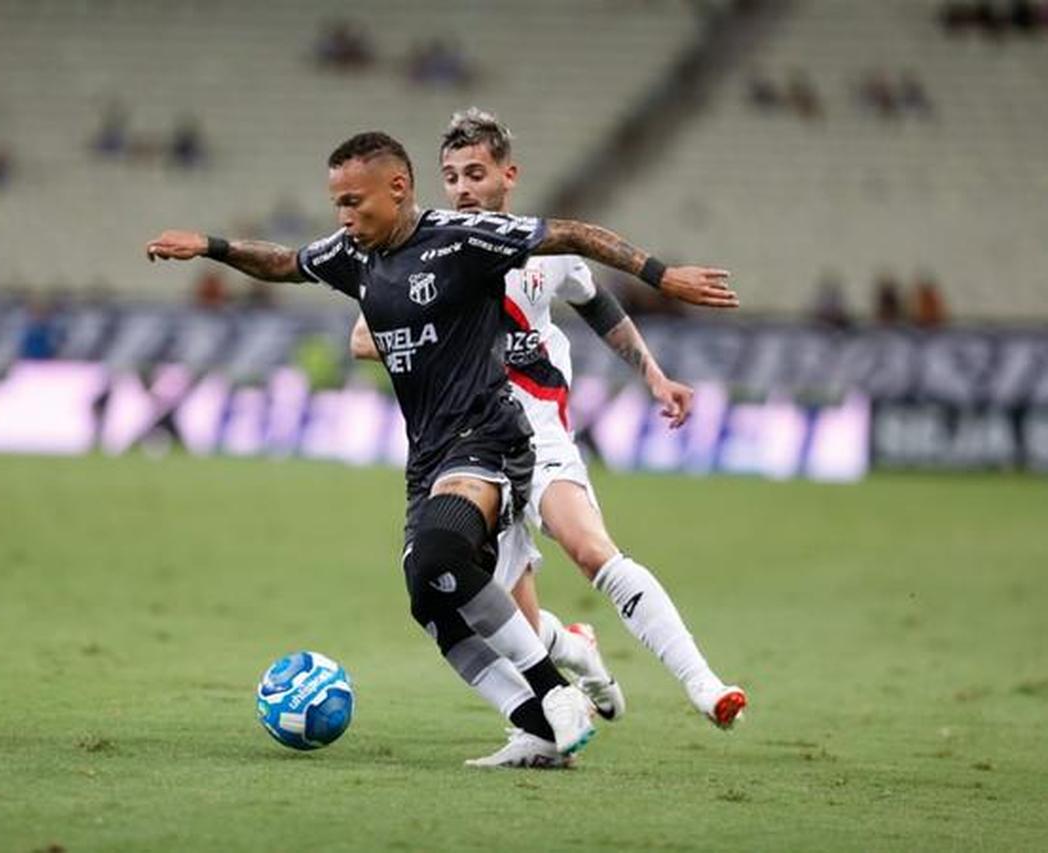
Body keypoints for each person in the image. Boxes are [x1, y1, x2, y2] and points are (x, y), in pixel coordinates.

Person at [144, 131, 738, 764]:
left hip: (491, 434)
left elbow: (575, 236)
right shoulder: (353, 254)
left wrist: (662, 277)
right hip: (430, 452)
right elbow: (285, 263)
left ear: (398, 188)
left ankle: (578, 691)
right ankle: (539, 720)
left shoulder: (464, 239)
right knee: (432, 596)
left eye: (353, 202)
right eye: (337, 203)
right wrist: (211, 247)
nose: (343, 216)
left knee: (473, 550)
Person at [349, 110, 746, 767]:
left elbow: (596, 302)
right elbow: (364, 337)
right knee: (503, 620)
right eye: (451, 177)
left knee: (590, 548)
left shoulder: (544, 250)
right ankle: (568, 661)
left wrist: (653, 374)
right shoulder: (429, 250)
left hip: (538, 433)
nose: (463, 188)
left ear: (509, 175)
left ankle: (704, 684)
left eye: (476, 173)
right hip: (467, 445)